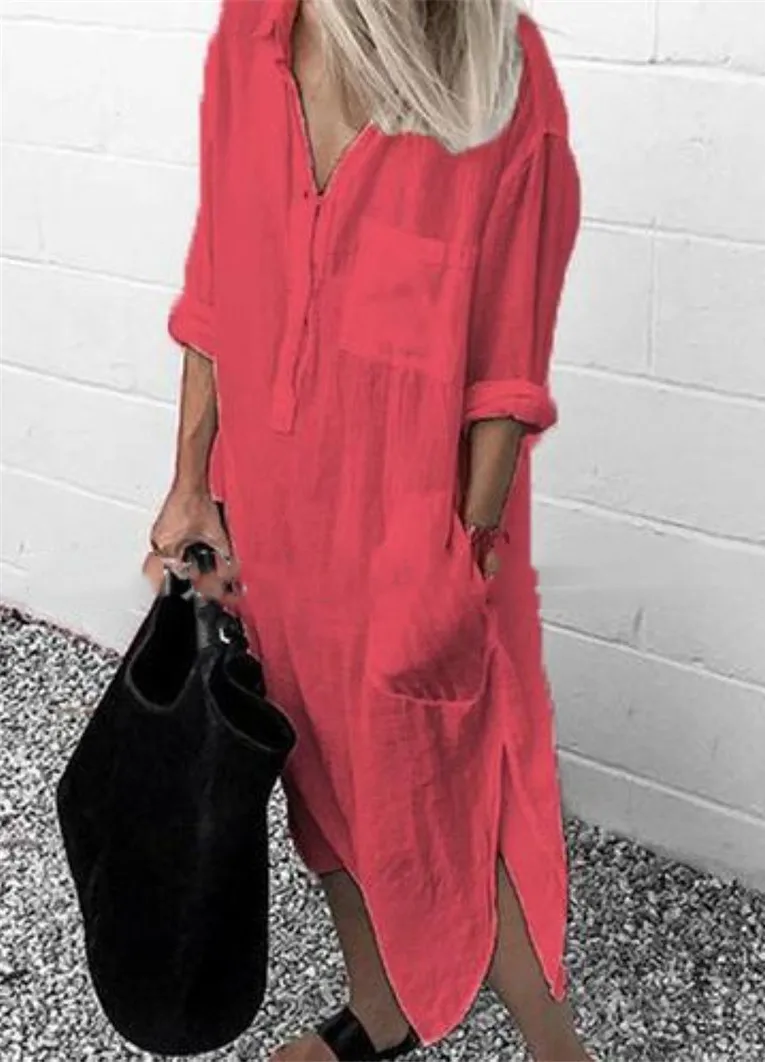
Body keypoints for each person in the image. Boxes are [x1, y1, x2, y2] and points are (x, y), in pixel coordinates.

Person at [143, 1, 588, 1059]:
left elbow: (506, 364)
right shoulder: (255, 33)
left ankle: (558, 1050)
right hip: (270, 509)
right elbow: (217, 275)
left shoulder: (498, 70)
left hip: (410, 536)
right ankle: (379, 1013)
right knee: (316, 769)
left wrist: (462, 553)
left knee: (464, 809)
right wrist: (191, 483)